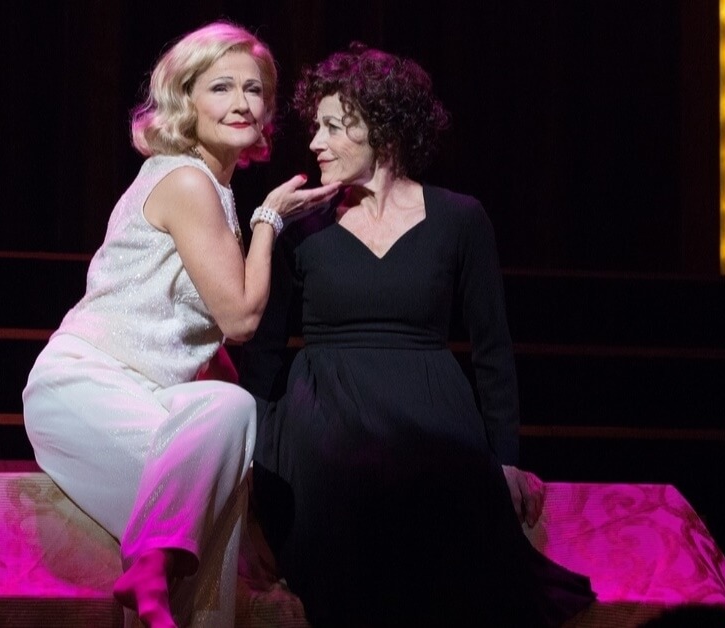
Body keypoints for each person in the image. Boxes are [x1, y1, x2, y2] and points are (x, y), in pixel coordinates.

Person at [241, 43, 596, 627]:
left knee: (446, 488)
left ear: (383, 129)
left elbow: (492, 349)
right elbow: (263, 355)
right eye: (316, 127)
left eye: (333, 127)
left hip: (428, 396)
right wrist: (252, 461)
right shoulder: (300, 226)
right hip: (327, 404)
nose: (316, 143)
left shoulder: (460, 218)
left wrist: (505, 460)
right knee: (343, 475)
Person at [21, 21, 338, 628]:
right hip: (86, 388)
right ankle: (156, 578)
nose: (242, 103)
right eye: (221, 87)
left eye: (254, 89)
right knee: (216, 492)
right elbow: (240, 318)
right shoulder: (188, 180)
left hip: (155, 398)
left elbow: (210, 352)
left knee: (231, 409)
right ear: (185, 99)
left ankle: (148, 573)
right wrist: (271, 219)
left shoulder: (211, 188)